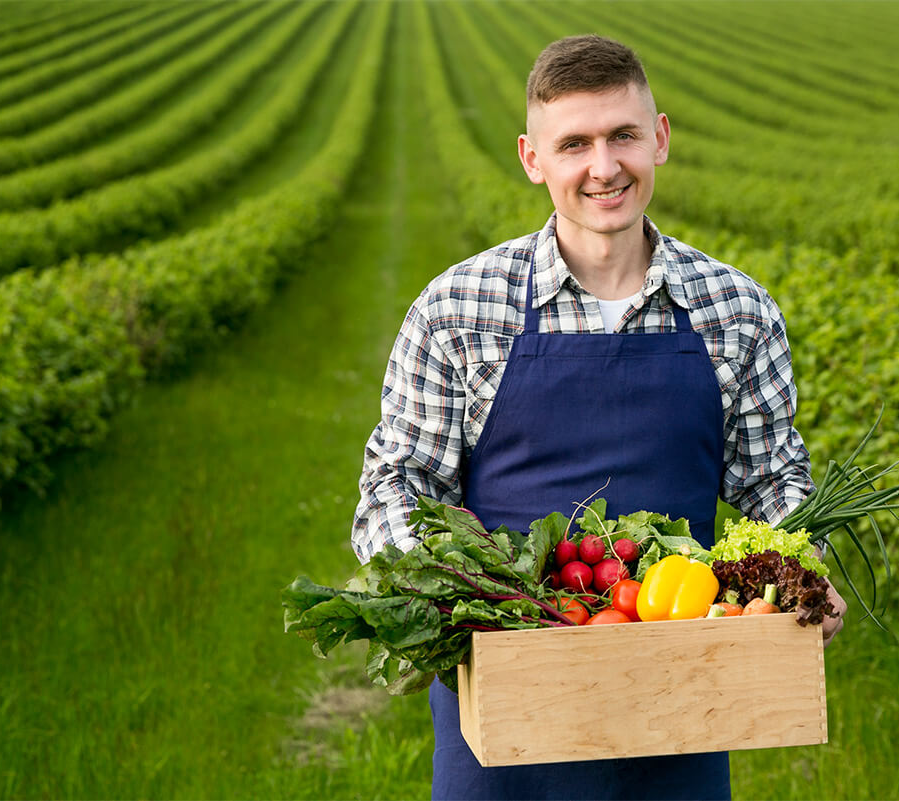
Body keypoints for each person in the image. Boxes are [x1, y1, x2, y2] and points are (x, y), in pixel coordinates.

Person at [352, 34, 846, 801]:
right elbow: (395, 480)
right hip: (505, 698)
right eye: (573, 143)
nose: (603, 166)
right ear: (531, 157)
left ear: (660, 137)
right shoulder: (457, 308)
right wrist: (450, 592)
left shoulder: (736, 310)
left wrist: (802, 572)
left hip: (680, 692)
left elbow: (772, 477)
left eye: (622, 135)